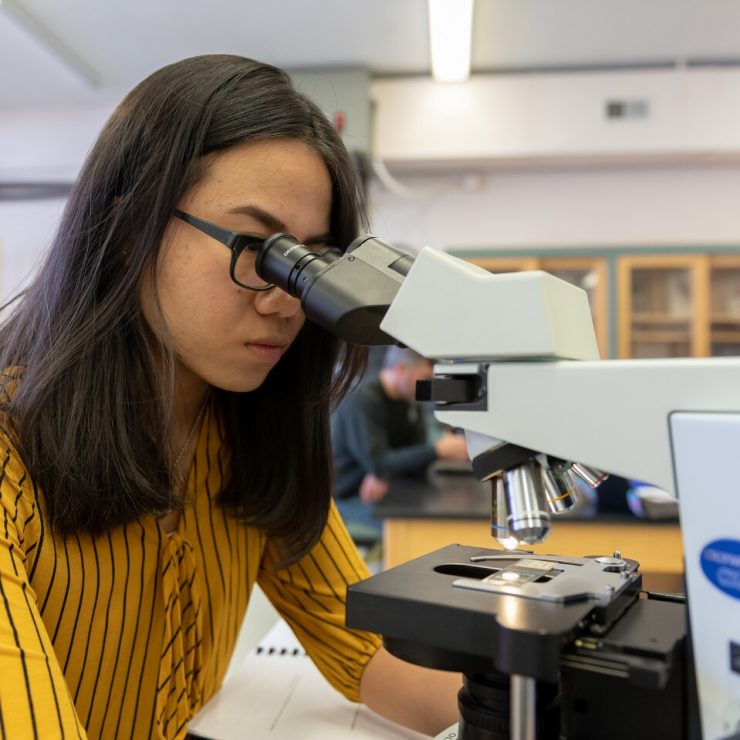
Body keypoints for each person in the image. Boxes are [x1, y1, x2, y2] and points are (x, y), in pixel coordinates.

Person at [0, 55, 461, 739]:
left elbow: (369, 650)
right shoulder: (12, 456)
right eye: (259, 249)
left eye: (310, 264)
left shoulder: (250, 438)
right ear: (130, 233)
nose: (287, 303)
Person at [332, 347, 469, 532]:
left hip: (389, 487)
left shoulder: (410, 402)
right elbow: (380, 463)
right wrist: (438, 450)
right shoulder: (362, 402)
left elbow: (405, 456)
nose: (427, 387)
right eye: (425, 379)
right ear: (400, 369)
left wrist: (386, 471)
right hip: (351, 498)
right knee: (417, 529)